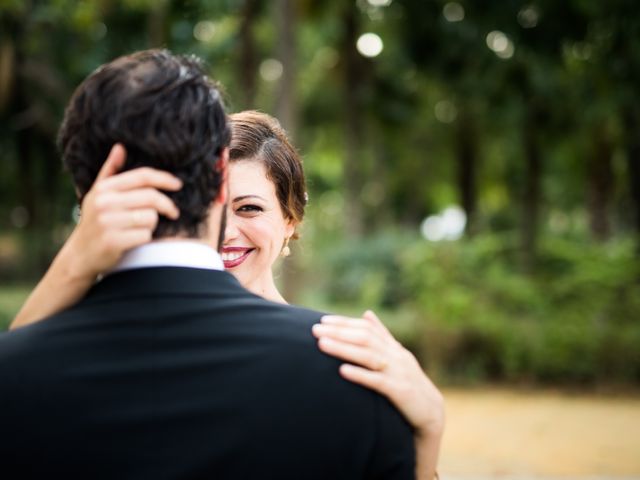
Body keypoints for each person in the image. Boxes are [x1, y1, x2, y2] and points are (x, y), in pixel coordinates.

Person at [7, 57, 444, 478]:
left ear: (291, 220)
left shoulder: (355, 359)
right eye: (225, 204)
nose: (227, 231)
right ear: (213, 182)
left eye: (250, 208)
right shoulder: (346, 388)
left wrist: (428, 431)